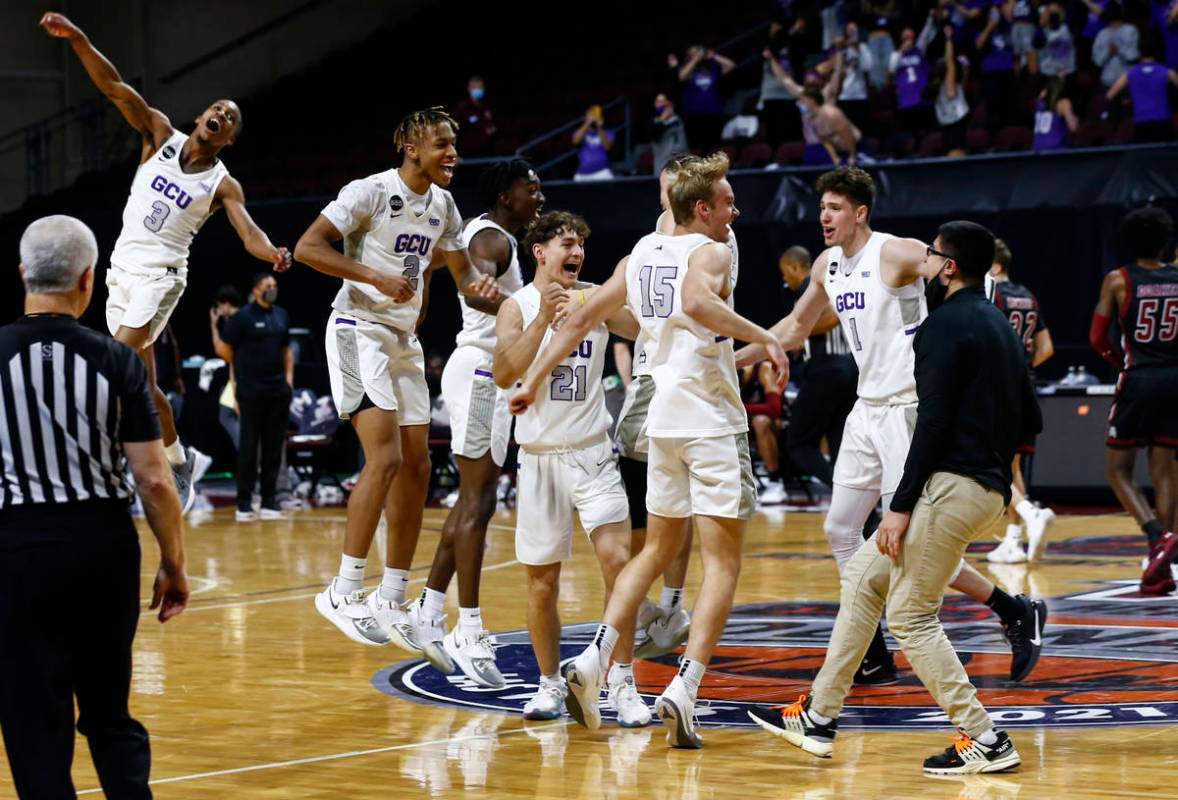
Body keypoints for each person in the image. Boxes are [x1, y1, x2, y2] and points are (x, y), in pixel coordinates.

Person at [510, 152, 789, 749]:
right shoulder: (710, 250)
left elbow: (582, 318)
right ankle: (685, 688)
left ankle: (595, 658)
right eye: (728, 202)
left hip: (659, 418)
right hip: (710, 418)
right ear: (703, 209)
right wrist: (763, 335)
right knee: (723, 563)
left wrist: (532, 381)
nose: (736, 211)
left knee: (656, 546)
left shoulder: (639, 251)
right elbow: (695, 302)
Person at [750, 220, 1040, 777]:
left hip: (949, 486)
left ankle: (986, 738)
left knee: (909, 616)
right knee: (862, 579)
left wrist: (901, 506)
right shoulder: (998, 324)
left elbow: (930, 424)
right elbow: (1033, 416)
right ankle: (818, 716)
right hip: (984, 485)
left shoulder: (935, 329)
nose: (924, 263)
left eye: (931, 257)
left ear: (948, 267)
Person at [40, 13, 291, 513]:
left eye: (231, 118)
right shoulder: (158, 133)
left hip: (163, 277)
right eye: (217, 108)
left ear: (228, 139)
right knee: (145, 383)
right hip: (122, 273)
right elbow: (113, 87)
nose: (221, 113)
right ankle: (181, 459)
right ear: (201, 117)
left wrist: (272, 253)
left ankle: (93, 466)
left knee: (117, 360)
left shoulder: (222, 183)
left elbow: (248, 231)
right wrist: (80, 38)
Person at [294, 108, 499, 654]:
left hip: (403, 341)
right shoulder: (367, 192)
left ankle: (391, 596)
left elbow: (462, 275)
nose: (453, 152)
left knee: (417, 464)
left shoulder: (445, 205)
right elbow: (308, 248)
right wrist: (375, 276)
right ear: (411, 148)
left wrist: (510, 298)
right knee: (382, 459)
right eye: (442, 144)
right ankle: (342, 589)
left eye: (454, 143)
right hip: (356, 327)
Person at [1, 215, 188, 797]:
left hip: (17, 547)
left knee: (34, 723)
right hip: (102, 549)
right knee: (110, 713)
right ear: (89, 278)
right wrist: (173, 562)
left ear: (23, 274)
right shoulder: (118, 361)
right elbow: (154, 480)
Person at [492, 211, 649, 727]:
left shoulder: (595, 297)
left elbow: (645, 324)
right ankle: (548, 685)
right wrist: (543, 320)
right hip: (538, 460)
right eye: (566, 242)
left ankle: (622, 682)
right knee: (542, 583)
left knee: (618, 565)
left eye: (581, 242)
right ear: (539, 251)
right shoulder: (516, 306)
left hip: (592, 453)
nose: (577, 250)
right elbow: (503, 372)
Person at [412, 159, 544, 688]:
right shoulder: (492, 239)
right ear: (504, 196)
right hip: (484, 374)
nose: (539, 195)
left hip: (487, 375)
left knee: (476, 500)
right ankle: (468, 626)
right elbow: (478, 281)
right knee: (477, 503)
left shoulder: (483, 234)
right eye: (530, 189)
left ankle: (426, 610)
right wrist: (497, 294)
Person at [1090, 206, 1178, 594]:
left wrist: (1119, 360)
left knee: (1118, 470)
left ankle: (1157, 536)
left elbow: (1096, 338)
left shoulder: (1118, 279)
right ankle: (1162, 562)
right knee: (1165, 469)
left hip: (1139, 378)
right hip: (1175, 379)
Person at [985, 239, 1057, 563]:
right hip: (1025, 386)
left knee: (992, 464)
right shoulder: (1028, 295)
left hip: (997, 388)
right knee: (1012, 466)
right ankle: (1013, 542)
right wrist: (1023, 368)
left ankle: (1030, 513)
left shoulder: (990, 294)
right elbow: (1045, 349)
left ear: (996, 266)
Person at [778, 245, 857, 490]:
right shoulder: (835, 282)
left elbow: (833, 315)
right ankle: (861, 513)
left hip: (827, 370)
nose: (784, 279)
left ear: (794, 267)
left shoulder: (810, 286)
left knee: (797, 442)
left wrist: (798, 332)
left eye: (785, 273)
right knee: (838, 444)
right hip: (849, 369)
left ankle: (842, 489)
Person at [219, 273, 293, 521]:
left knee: (274, 448)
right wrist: (237, 380)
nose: (273, 289)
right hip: (250, 393)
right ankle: (244, 503)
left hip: (278, 392)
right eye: (267, 286)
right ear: (256, 290)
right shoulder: (242, 318)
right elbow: (225, 349)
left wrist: (289, 382)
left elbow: (286, 351)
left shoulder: (281, 315)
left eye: (275, 285)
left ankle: (270, 501)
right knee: (249, 448)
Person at [766, 53, 860, 165]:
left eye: (814, 82)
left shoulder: (827, 95)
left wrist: (839, 56)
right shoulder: (802, 95)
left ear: (820, 82)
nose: (811, 84)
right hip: (810, 148)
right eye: (808, 83)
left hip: (827, 147)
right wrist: (771, 59)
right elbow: (784, 79)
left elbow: (837, 74)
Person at [1106, 45, 1178, 143]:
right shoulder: (1167, 72)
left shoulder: (1129, 73)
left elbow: (1110, 95)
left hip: (1142, 125)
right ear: (1157, 53)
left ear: (1139, 53)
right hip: (1163, 123)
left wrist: (1126, 101)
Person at [888, 17, 938, 141]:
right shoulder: (896, 55)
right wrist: (901, 51)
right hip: (906, 99)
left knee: (926, 132)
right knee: (910, 134)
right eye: (905, 37)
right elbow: (891, 69)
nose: (908, 40)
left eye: (910, 37)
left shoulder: (919, 50)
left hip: (921, 97)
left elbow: (926, 34)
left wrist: (930, 19)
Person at [933, 27, 970, 157]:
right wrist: (948, 39)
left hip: (949, 122)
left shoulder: (942, 86)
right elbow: (949, 61)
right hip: (954, 122)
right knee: (956, 153)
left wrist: (965, 72)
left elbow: (961, 89)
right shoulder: (948, 84)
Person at [1092, 4, 1139, 89]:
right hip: (1108, 82)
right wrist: (1108, 52)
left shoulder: (1130, 30)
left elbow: (1134, 56)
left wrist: (1119, 50)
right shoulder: (1102, 34)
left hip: (1127, 81)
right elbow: (1097, 61)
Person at [452, 76, 497, 156]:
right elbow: (453, 130)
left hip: (486, 152)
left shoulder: (489, 106)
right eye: (474, 87)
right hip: (466, 153)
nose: (477, 89)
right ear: (468, 89)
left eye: (480, 87)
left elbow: (493, 126)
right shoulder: (462, 107)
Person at [1032, 80, 1079, 151]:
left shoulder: (1039, 102)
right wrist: (1076, 119)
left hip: (1037, 150)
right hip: (1055, 150)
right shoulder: (1063, 103)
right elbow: (1073, 127)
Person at [573, 106, 615, 181]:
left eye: (595, 115)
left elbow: (607, 147)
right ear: (585, 117)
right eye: (591, 115)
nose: (593, 117)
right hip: (582, 173)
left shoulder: (608, 132)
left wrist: (599, 127)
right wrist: (587, 123)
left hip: (602, 172)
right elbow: (575, 141)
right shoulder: (580, 131)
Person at [651, 95, 689, 175]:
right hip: (662, 163)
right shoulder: (653, 122)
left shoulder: (680, 118)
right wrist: (662, 118)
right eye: (658, 102)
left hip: (681, 162)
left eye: (664, 101)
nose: (662, 105)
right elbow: (654, 134)